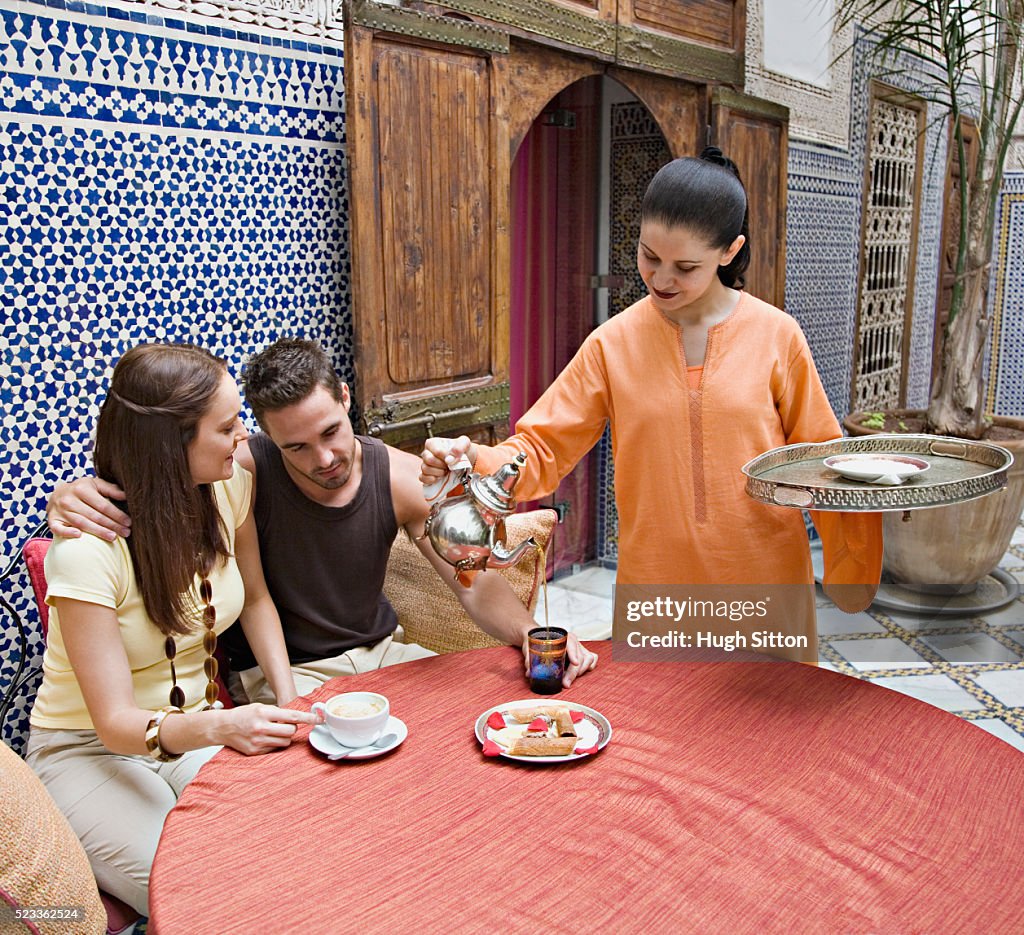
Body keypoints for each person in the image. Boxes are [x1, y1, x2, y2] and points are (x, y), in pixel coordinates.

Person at [421, 149, 882, 660]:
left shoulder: (778, 336)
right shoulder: (612, 343)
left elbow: (821, 458)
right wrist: (475, 462)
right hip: (658, 590)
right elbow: (542, 448)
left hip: (764, 582)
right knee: (662, 735)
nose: (661, 279)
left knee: (769, 736)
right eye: (649, 256)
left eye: (685, 267)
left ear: (730, 252)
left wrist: (872, 511)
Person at [47, 339, 598, 698]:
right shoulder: (241, 468)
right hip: (285, 674)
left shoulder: (396, 477)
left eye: (332, 432)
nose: (324, 459)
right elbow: (156, 479)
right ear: (262, 434)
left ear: (345, 398)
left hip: (388, 655)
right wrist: (69, 496)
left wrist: (529, 634)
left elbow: (473, 583)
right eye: (297, 448)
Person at [26, 344, 317, 916]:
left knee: (292, 849)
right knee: (204, 892)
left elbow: (255, 598)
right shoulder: (88, 550)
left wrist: (289, 702)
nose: (244, 438)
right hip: (87, 751)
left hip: (199, 732)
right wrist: (227, 725)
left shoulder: (230, 485)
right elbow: (112, 725)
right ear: (171, 445)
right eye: (229, 427)